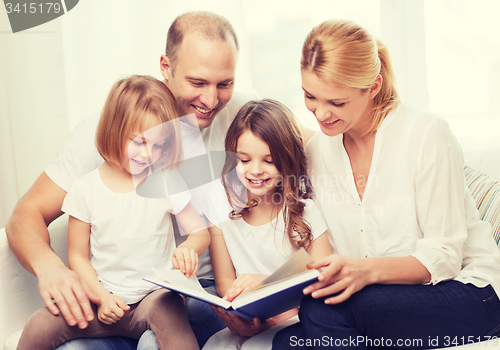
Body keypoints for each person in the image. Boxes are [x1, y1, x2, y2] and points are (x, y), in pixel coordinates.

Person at [5, 11, 258, 350]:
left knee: (156, 340)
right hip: (109, 298)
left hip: (193, 291)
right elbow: (27, 213)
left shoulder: (244, 117)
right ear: (165, 67)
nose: (211, 100)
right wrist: (53, 269)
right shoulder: (106, 134)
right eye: (197, 82)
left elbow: (305, 145)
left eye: (224, 84)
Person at [271, 19, 500, 349]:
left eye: (337, 102)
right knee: (287, 342)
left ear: (373, 86)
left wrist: (365, 271)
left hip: (470, 293)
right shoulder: (318, 152)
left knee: (321, 312)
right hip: (387, 301)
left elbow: (444, 258)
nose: (321, 114)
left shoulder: (425, 134)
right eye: (311, 97)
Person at [16, 75, 210, 350]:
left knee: (170, 311)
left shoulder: (166, 180)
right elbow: (78, 257)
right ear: (114, 130)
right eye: (138, 142)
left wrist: (190, 247)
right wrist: (101, 297)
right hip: (102, 301)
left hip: (154, 299)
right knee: (40, 325)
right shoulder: (85, 189)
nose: (148, 154)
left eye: (158, 145)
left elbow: (199, 232)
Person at [202, 99, 333, 350]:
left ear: (287, 160)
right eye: (245, 159)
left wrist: (266, 291)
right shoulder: (219, 201)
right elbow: (225, 283)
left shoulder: (306, 212)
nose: (256, 171)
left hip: (297, 321)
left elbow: (323, 284)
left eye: (269, 161)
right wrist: (244, 315)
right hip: (248, 319)